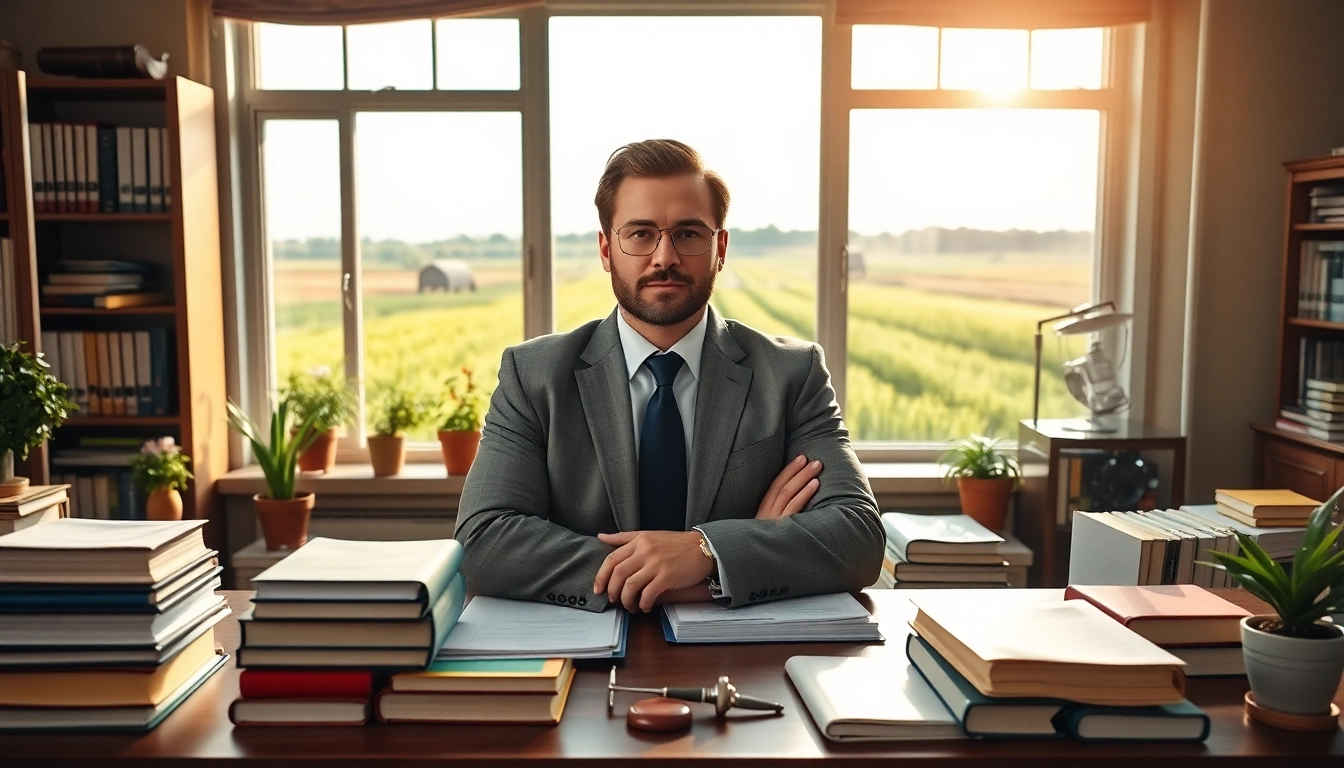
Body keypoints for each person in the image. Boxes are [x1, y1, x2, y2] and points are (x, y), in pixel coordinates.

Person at [454, 139, 883, 613]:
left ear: (720, 247)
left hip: (747, 652)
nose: (664, 257)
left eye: (688, 234)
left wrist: (705, 552)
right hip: (582, 650)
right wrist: (719, 563)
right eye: (640, 234)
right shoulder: (533, 376)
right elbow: (483, 541)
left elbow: (858, 535)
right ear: (606, 249)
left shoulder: (793, 375)